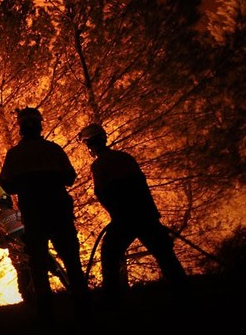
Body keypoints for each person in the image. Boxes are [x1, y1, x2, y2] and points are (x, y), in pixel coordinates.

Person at [78, 123, 189, 308]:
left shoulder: (99, 165)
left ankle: (111, 301)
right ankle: (184, 294)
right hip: (145, 215)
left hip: (125, 219)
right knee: (165, 254)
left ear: (89, 144)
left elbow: (104, 193)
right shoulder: (125, 158)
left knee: (109, 254)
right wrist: (151, 215)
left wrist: (118, 217)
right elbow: (142, 186)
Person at [0, 107, 90, 322]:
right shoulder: (53, 150)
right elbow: (69, 177)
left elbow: (7, 184)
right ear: (40, 125)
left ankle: (46, 314)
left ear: (21, 129)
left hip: (34, 215)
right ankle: (84, 308)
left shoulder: (15, 155)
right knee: (72, 260)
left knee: (37, 264)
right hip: (59, 212)